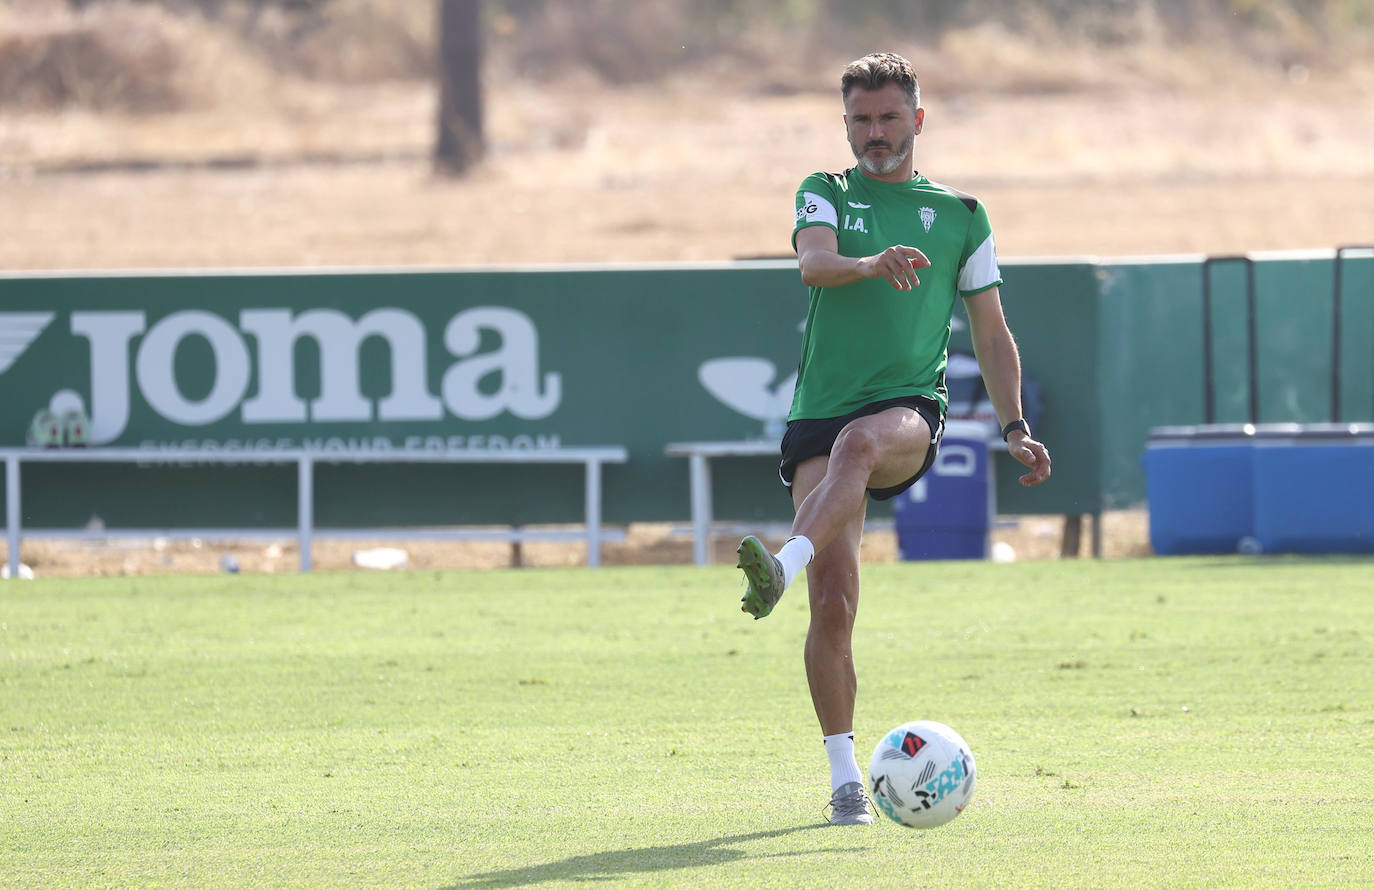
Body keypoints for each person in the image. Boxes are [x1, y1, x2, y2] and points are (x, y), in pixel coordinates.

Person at [735, 51, 1052, 826]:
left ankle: (781, 561)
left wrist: (1013, 425)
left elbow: (992, 330)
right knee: (834, 605)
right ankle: (846, 781)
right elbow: (813, 266)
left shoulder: (961, 215)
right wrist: (869, 262)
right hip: (820, 409)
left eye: (887, 117)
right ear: (845, 125)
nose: (874, 133)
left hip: (908, 408)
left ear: (918, 118)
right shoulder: (824, 192)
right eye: (860, 120)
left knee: (862, 448)